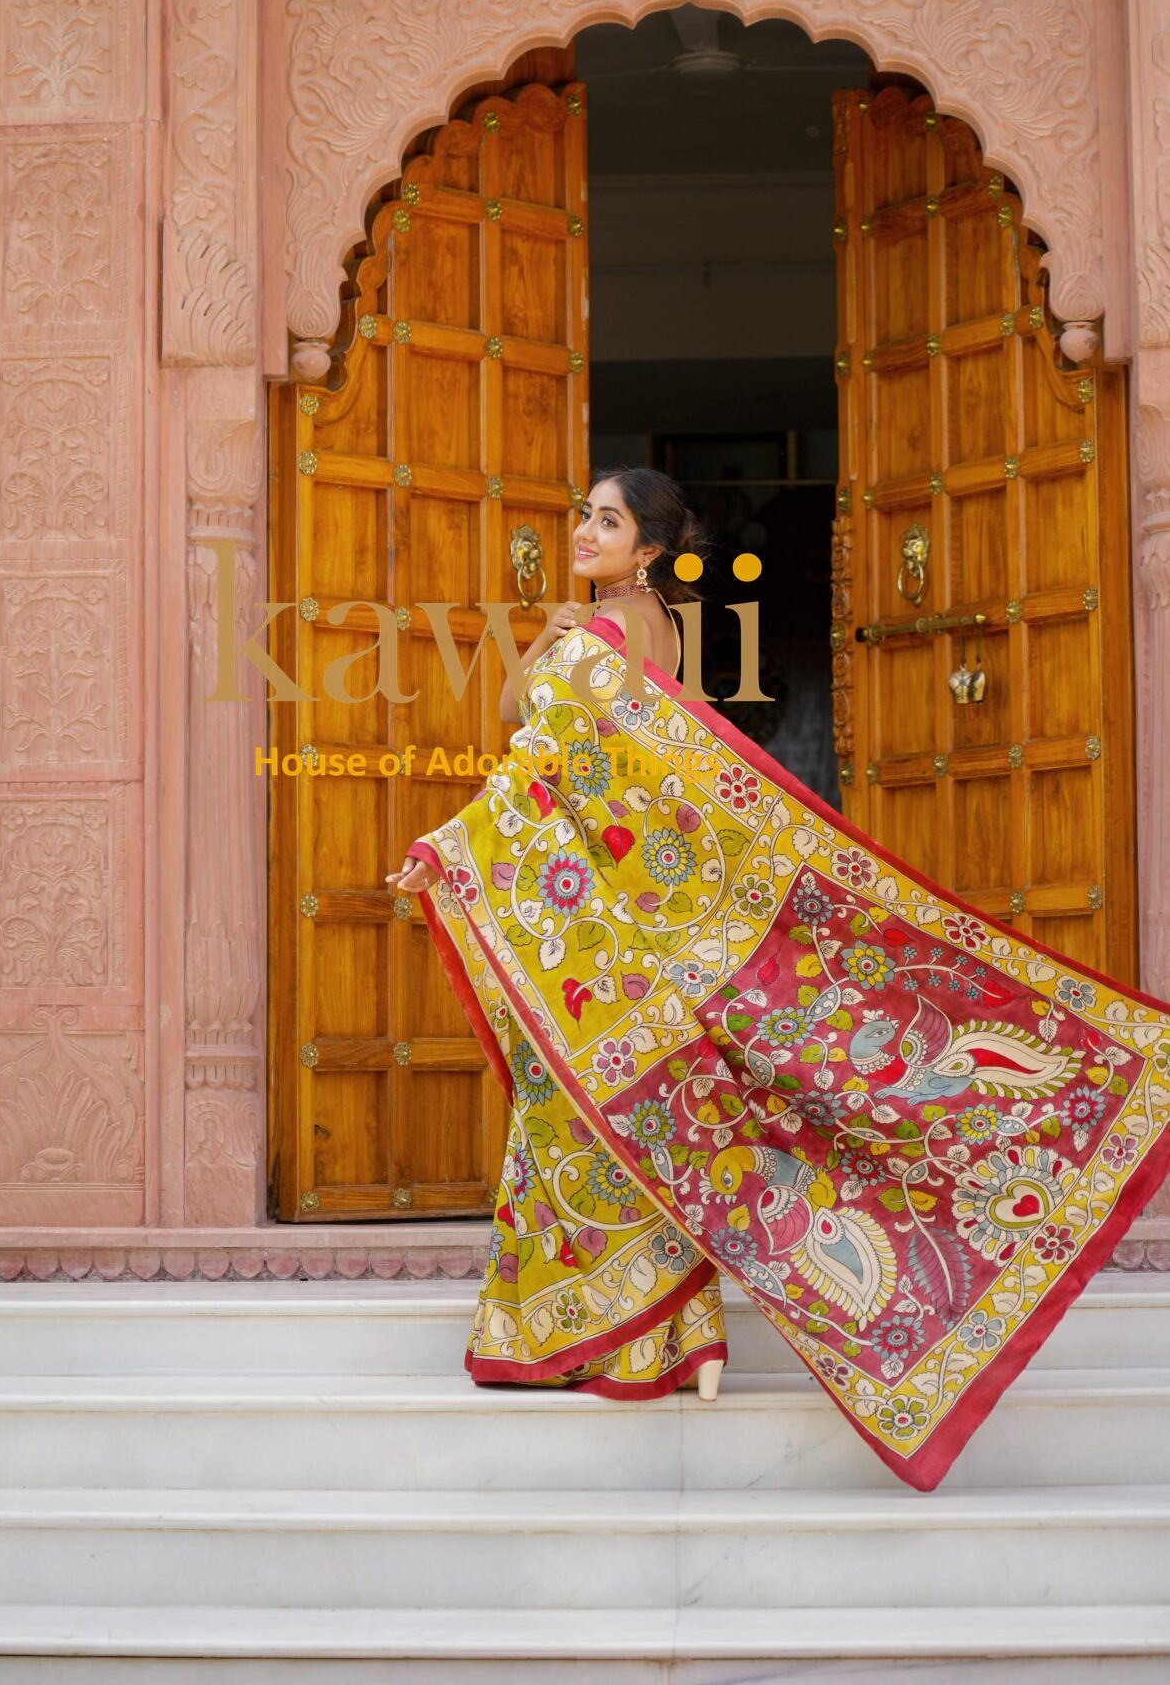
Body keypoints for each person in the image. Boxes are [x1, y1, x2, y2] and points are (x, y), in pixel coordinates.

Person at [386, 467, 1170, 1491]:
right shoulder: (653, 633)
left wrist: (442, 852)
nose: (583, 529)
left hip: (594, 931)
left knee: (579, 1115)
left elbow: (535, 775)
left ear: (651, 547)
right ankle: (675, 1340)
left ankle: (595, 1332)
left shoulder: (589, 646)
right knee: (651, 1115)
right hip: (639, 922)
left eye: (606, 520)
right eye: (584, 513)